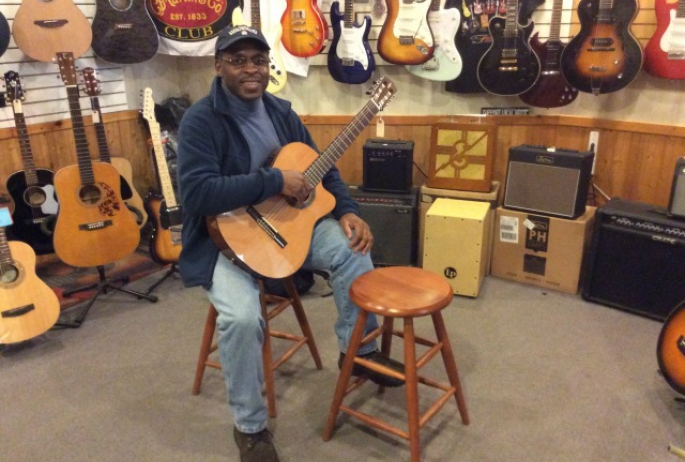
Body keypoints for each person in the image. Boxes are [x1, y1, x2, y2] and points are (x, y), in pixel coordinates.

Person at [176, 24, 405, 462]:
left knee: (353, 249)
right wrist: (275, 179)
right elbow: (198, 194)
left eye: (258, 60)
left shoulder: (282, 112)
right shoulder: (201, 120)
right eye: (238, 60)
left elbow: (324, 168)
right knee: (242, 320)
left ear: (268, 65)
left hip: (288, 229)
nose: (250, 69)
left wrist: (347, 209)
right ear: (219, 64)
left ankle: (359, 352)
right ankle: (251, 427)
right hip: (222, 238)